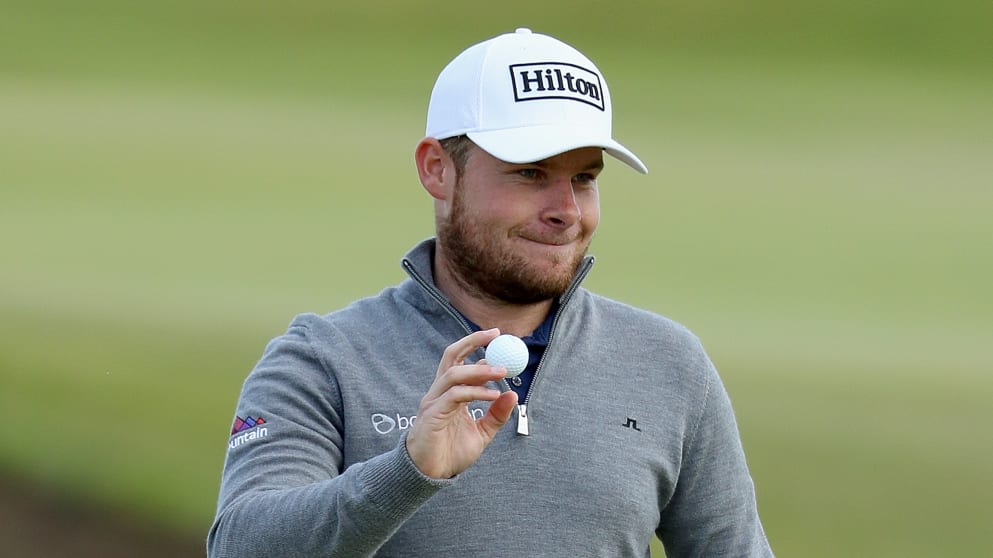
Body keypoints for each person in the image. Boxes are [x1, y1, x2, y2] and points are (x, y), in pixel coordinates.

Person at [208, 28, 773, 557]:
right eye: (530, 173)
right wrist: (407, 473)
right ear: (437, 170)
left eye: (585, 177)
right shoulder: (324, 359)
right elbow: (239, 543)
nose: (567, 211)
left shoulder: (668, 365)